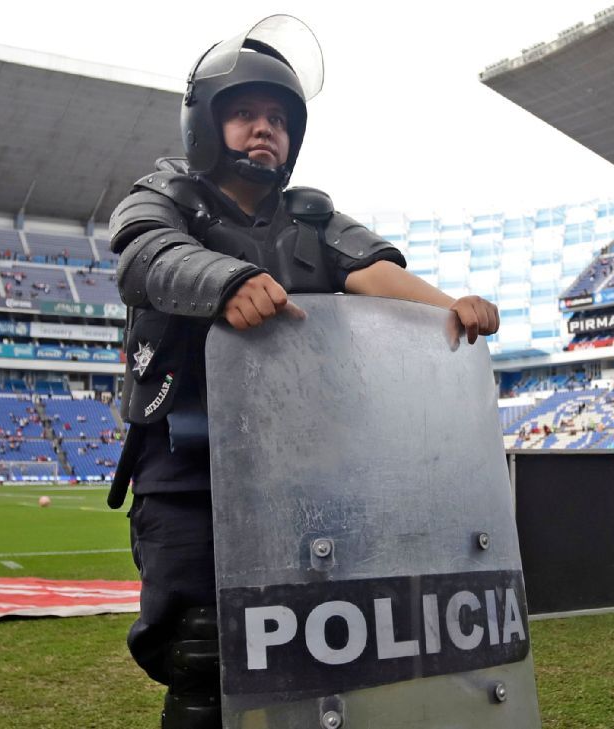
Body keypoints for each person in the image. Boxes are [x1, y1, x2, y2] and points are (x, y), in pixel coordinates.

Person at [105, 16, 499, 729]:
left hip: (302, 469)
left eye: (280, 119)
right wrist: (224, 281)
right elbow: (144, 254)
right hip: (185, 464)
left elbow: (372, 272)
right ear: (205, 122)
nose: (265, 129)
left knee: (317, 635)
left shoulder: (312, 219)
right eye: (246, 113)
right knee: (199, 648)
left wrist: (451, 307)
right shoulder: (165, 195)